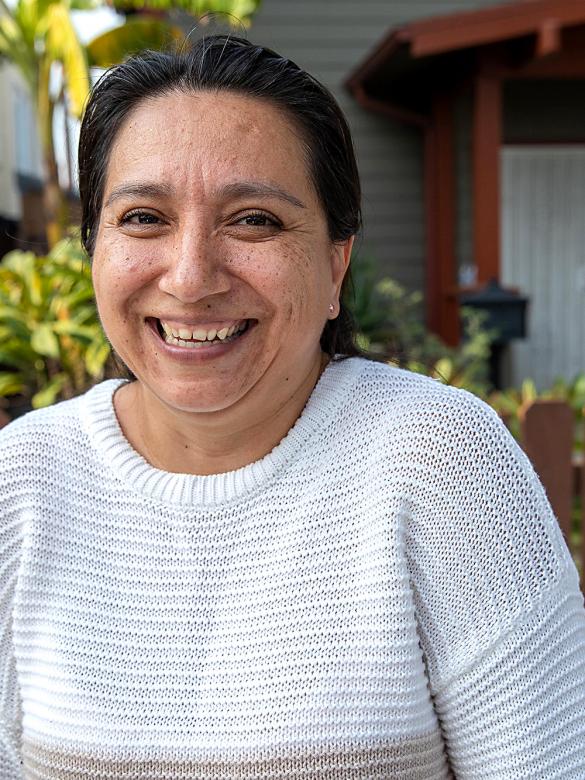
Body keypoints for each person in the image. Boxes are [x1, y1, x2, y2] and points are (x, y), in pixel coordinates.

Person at [1, 35, 584, 780]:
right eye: (143, 217)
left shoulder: (439, 461)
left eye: (254, 221)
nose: (190, 278)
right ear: (93, 250)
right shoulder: (21, 482)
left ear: (334, 263)